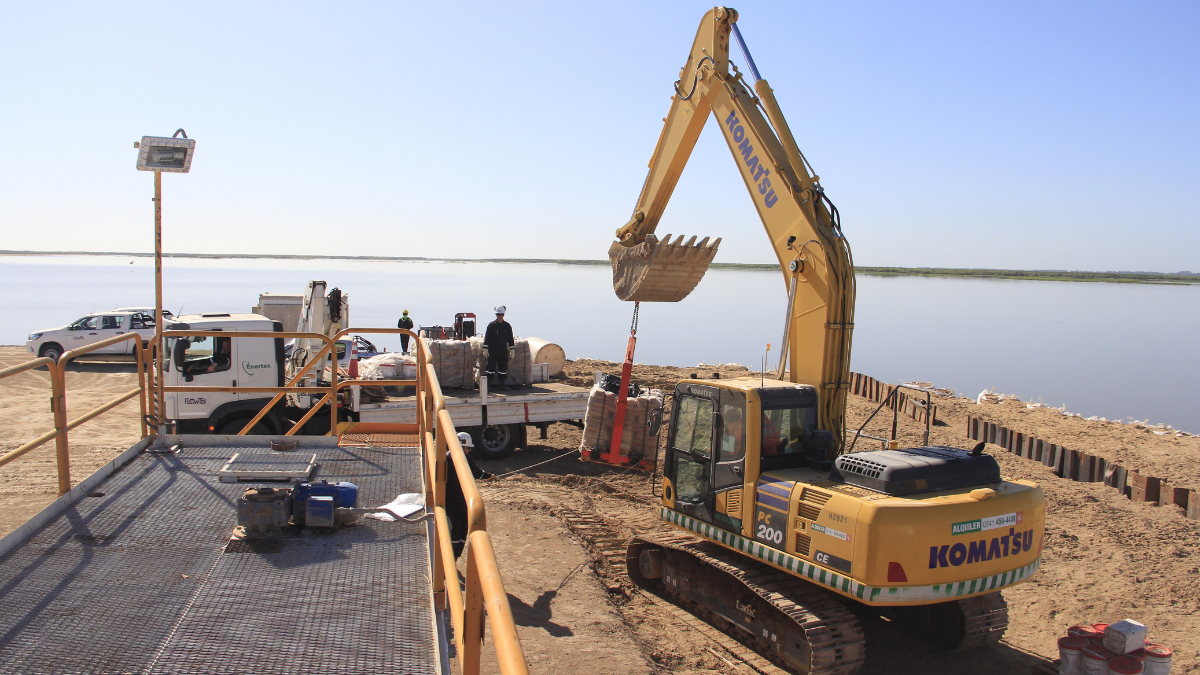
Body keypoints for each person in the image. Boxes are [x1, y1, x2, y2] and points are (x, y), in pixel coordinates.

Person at [445, 431, 495, 558]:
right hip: (450, 504)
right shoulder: (448, 460)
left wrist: (488, 476)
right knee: (455, 533)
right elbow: (479, 475)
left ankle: (453, 560)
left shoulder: (462, 460)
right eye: (468, 448)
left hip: (462, 503)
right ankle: (447, 561)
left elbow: (479, 474)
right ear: (460, 447)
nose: (469, 451)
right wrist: (490, 477)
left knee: (462, 534)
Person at [482, 305, 515, 390]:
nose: (500, 317)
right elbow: (487, 337)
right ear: (496, 315)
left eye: (501, 315)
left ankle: (502, 384)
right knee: (490, 368)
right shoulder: (492, 325)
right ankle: (488, 385)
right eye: (498, 315)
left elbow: (510, 338)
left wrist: (512, 349)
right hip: (492, 350)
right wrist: (485, 348)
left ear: (503, 315)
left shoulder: (507, 326)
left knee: (503, 368)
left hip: (503, 350)